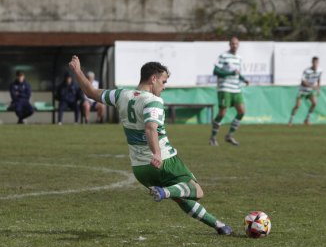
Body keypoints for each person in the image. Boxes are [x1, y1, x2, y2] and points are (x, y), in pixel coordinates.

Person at [68, 55, 232, 235]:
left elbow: (90, 92)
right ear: (153, 78)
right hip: (164, 161)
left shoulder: (121, 95)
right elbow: (150, 127)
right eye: (163, 81)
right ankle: (164, 192)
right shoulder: (153, 101)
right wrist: (157, 153)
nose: (164, 86)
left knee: (181, 197)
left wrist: (77, 71)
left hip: (140, 169)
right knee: (196, 190)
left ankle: (219, 226)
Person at [209, 36, 249, 147]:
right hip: (224, 88)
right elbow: (215, 71)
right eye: (232, 44)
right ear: (229, 44)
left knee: (241, 111)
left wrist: (243, 79)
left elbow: (237, 73)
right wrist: (230, 74)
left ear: (238, 45)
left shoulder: (239, 58)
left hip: (236, 89)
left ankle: (229, 135)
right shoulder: (223, 56)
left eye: (236, 44)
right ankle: (213, 137)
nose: (234, 45)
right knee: (222, 113)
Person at [288, 56, 322, 126]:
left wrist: (318, 88)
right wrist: (312, 86)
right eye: (314, 62)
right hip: (302, 90)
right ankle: (290, 120)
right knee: (297, 105)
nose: (315, 64)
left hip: (310, 91)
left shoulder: (320, 71)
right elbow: (303, 82)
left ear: (318, 63)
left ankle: (307, 120)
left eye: (317, 62)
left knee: (314, 103)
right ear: (312, 62)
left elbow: (318, 79)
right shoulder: (306, 71)